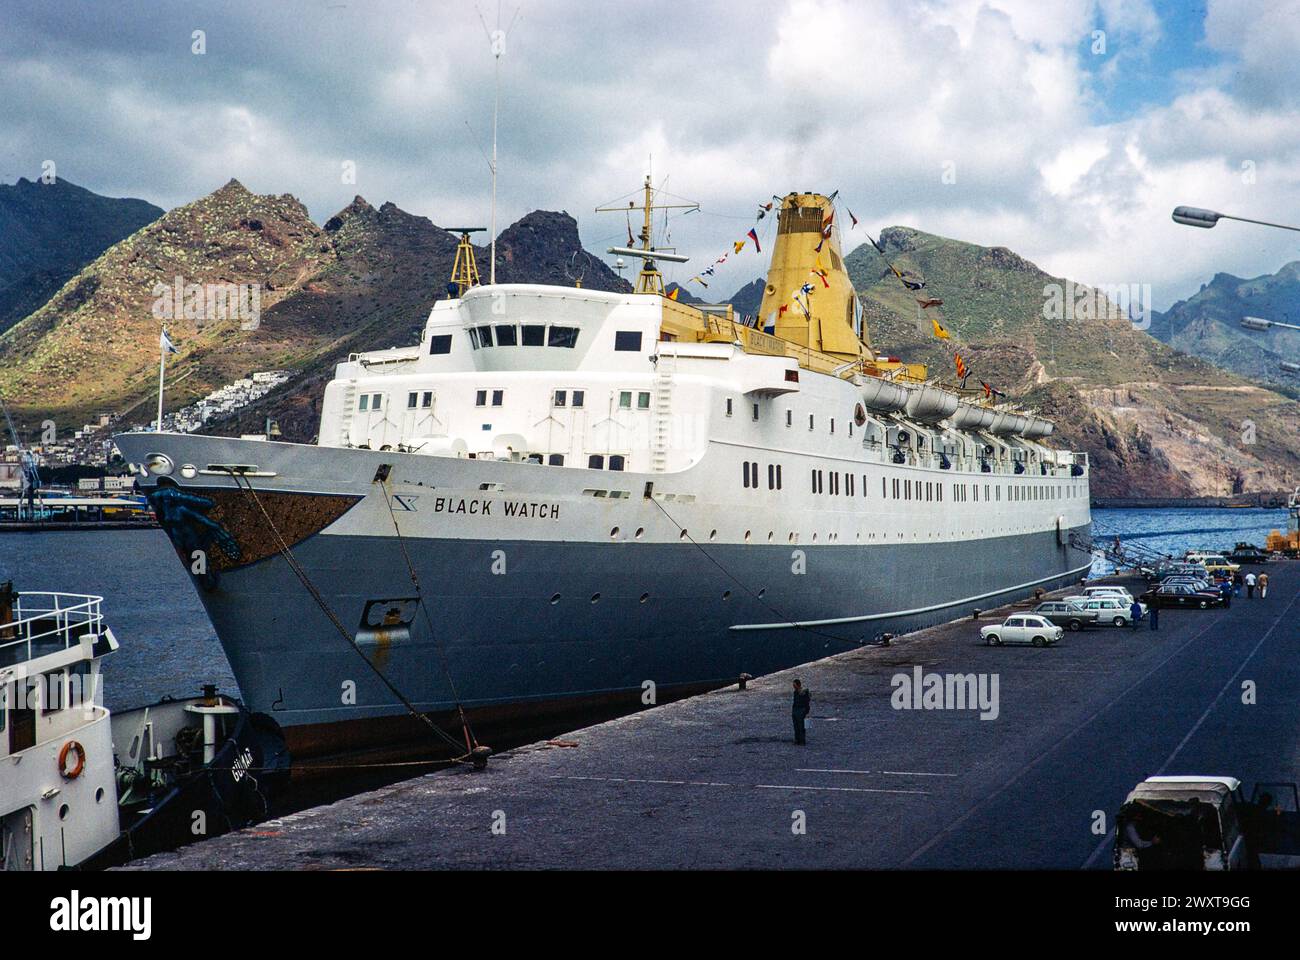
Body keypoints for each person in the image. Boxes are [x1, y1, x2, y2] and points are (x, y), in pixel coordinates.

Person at [791, 678, 811, 745]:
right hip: (796, 710)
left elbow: (806, 702)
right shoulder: (795, 692)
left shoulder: (804, 692)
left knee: (801, 726)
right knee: (796, 727)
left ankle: (802, 741)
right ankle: (797, 740)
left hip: (801, 710)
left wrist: (806, 711)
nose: (793, 686)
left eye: (794, 685)